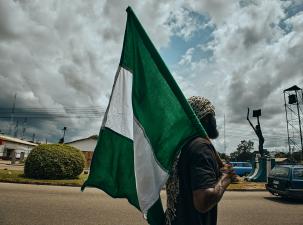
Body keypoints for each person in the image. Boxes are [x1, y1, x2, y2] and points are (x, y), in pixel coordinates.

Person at [165, 96, 237, 225]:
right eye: (213, 115)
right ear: (207, 117)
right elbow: (203, 201)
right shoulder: (201, 146)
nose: (215, 121)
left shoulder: (182, 146)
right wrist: (226, 177)